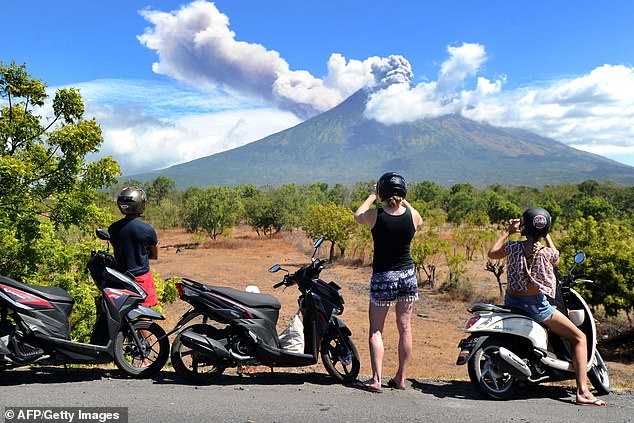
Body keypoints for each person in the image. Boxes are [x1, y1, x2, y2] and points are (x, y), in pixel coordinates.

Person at [487, 207, 606, 406]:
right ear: (545, 229)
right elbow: (556, 257)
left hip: (512, 302)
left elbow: (492, 253)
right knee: (580, 338)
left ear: (523, 227)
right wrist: (546, 234)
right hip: (536, 307)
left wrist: (507, 232)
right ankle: (583, 391)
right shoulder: (546, 253)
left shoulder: (513, 247)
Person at [354, 172, 423, 392]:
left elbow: (358, 215)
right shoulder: (413, 217)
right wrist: (401, 198)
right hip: (407, 276)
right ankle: (401, 378)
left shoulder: (376, 215)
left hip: (384, 276)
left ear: (383, 192)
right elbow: (414, 212)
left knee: (376, 330)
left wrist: (372, 195)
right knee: (405, 328)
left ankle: (376, 379)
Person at [108, 186, 159, 309]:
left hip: (120, 278)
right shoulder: (147, 229)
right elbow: (154, 255)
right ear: (140, 204)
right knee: (144, 317)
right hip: (141, 279)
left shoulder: (113, 228)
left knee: (122, 315)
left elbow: (117, 249)